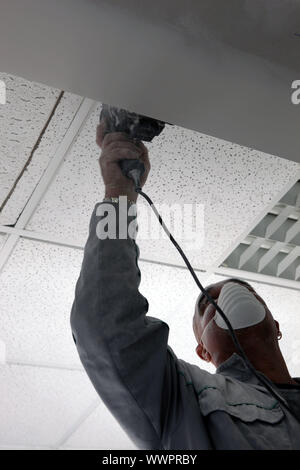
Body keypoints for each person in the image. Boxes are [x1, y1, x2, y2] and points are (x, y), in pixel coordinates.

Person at [70, 119, 300, 450]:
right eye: (208, 304)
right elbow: (106, 328)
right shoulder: (187, 395)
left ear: (275, 325)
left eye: (248, 291)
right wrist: (119, 198)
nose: (228, 294)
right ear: (203, 351)